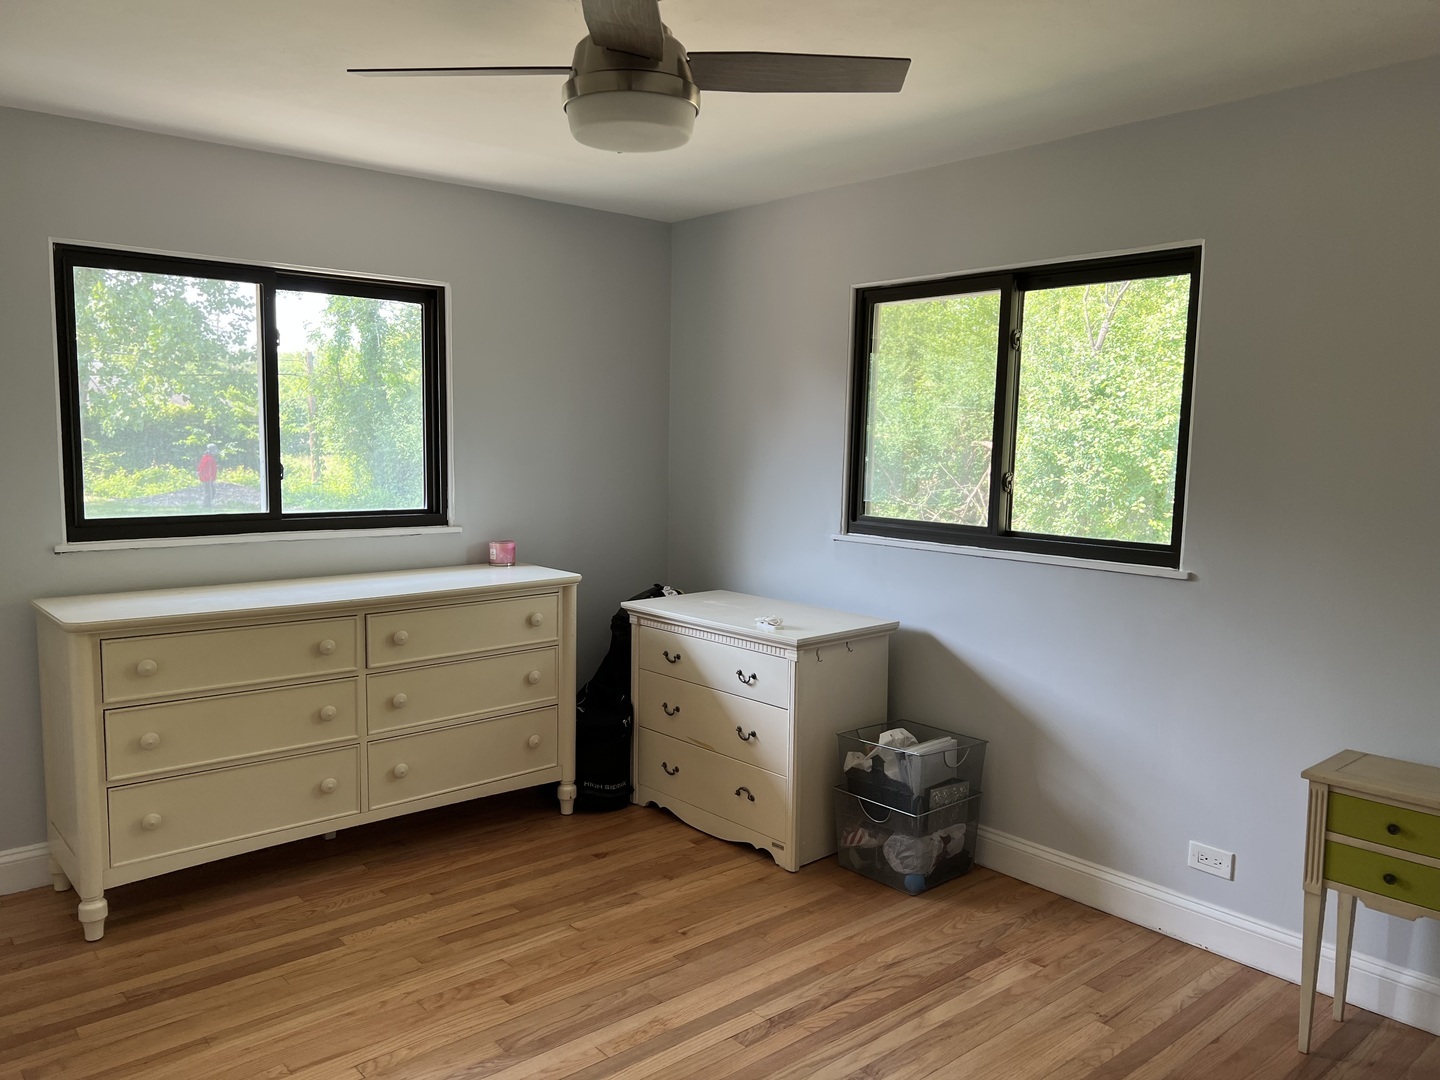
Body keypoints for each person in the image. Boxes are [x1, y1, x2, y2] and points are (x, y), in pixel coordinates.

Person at [197, 443, 218, 508]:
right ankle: (206, 505)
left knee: (211, 491)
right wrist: (208, 478)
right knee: (209, 492)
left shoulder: (207, 457)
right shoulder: (208, 458)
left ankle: (207, 504)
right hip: (208, 478)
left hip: (208, 478)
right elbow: (204, 469)